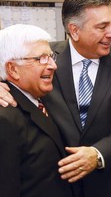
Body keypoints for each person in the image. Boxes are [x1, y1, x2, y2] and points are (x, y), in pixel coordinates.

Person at [0, 0, 111, 197]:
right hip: (58, 183)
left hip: (110, 183)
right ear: (74, 30)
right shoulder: (44, 57)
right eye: (102, 26)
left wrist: (97, 154)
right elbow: (11, 67)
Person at [0, 24, 73, 197]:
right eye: (41, 58)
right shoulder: (5, 117)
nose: (53, 65)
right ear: (12, 69)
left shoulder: (45, 97)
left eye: (50, 56)